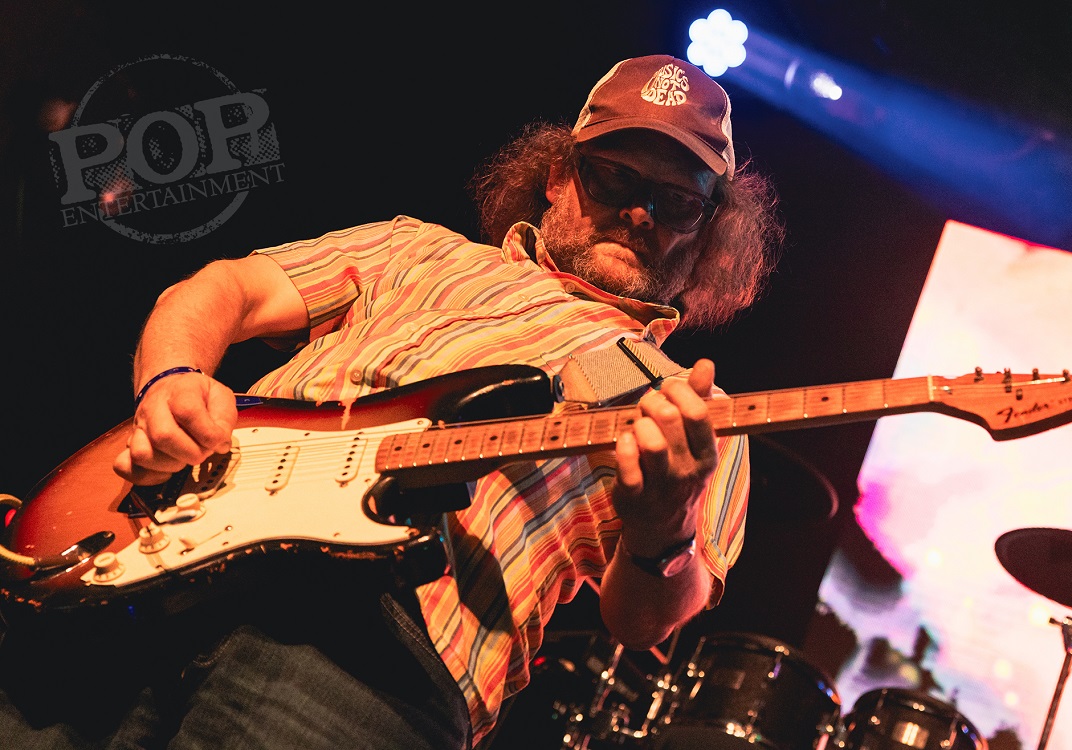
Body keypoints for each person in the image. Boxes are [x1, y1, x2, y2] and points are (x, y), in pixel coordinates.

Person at [0, 54, 784, 749]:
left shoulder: (691, 408)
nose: (641, 213)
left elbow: (646, 620)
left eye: (677, 202)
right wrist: (172, 382)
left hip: (374, 660)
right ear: (557, 177)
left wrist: (663, 526)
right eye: (616, 179)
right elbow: (226, 289)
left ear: (707, 234)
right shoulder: (420, 248)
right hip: (149, 558)